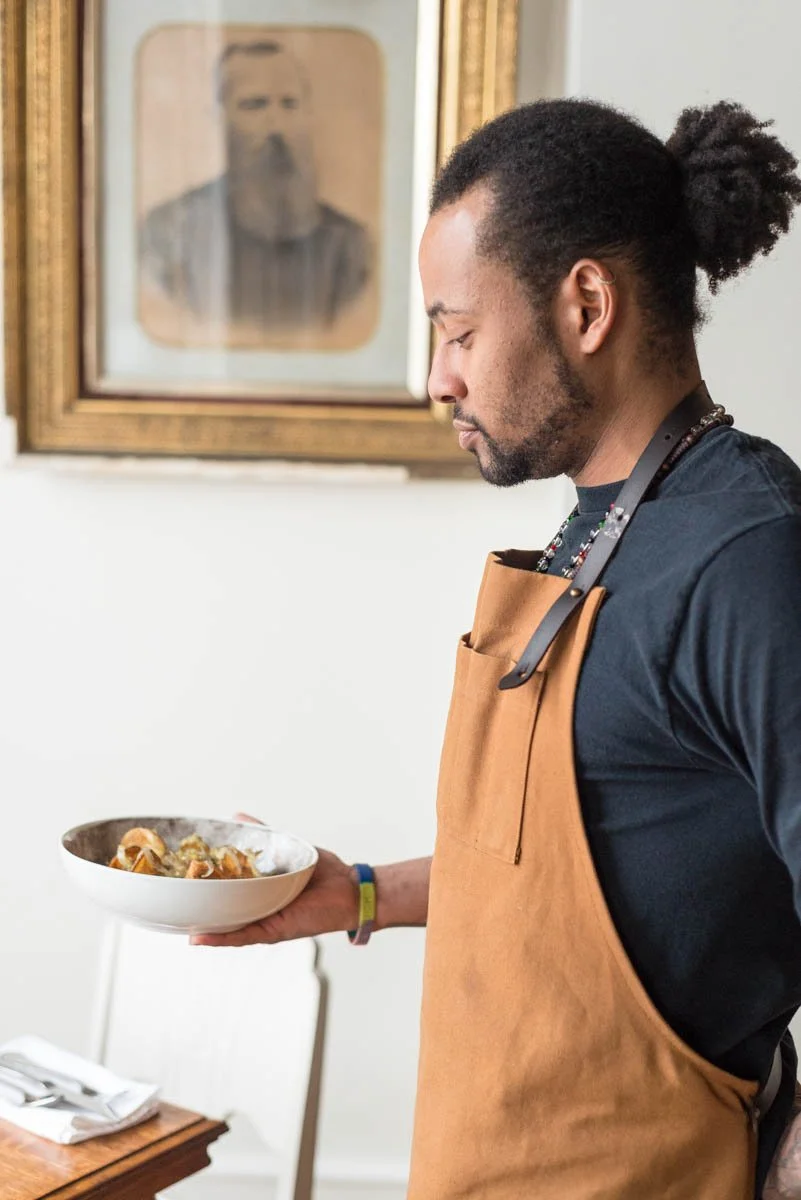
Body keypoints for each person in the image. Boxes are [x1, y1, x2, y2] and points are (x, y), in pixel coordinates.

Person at [193, 98, 801, 1198]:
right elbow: (575, 880)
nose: (438, 378)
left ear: (585, 304)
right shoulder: (593, 525)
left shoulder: (751, 555)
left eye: (460, 332)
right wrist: (362, 894)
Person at [139, 40, 371, 337]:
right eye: (254, 104)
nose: (277, 126)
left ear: (308, 114)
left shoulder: (351, 246)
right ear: (217, 119)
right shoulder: (168, 234)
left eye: (289, 104)